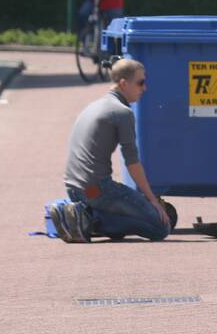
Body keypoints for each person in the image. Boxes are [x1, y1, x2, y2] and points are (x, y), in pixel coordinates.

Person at [60, 59, 171, 241]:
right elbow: (132, 162)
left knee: (126, 215)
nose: (145, 88)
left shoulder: (93, 106)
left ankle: (84, 214)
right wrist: (152, 200)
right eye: (140, 82)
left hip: (75, 190)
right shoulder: (122, 112)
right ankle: (91, 219)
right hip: (98, 189)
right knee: (161, 228)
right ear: (123, 84)